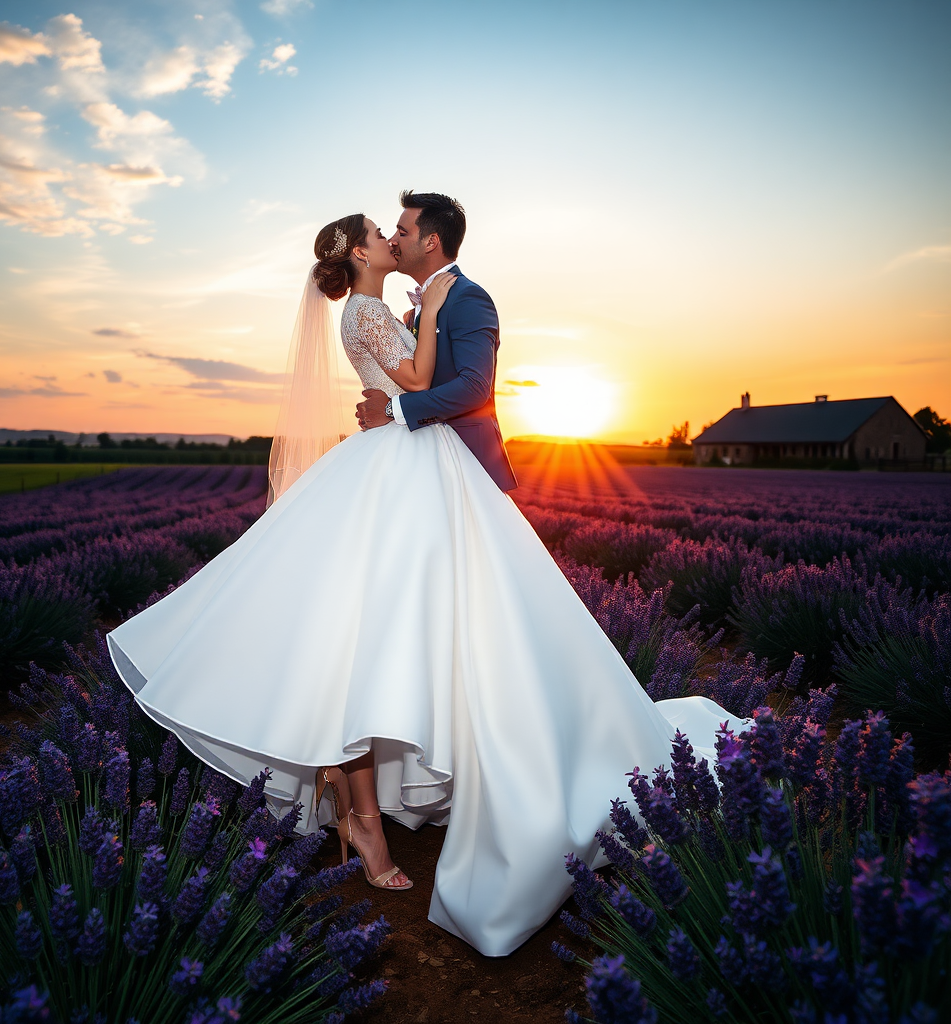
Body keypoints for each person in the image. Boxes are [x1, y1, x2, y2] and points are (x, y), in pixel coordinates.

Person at [106, 192, 740, 957]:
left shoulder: (460, 296)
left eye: (400, 229)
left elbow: (467, 388)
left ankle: (407, 791)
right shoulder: (388, 309)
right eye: (382, 231)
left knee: (416, 628)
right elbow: (414, 378)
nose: (392, 235)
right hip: (400, 472)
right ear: (359, 252)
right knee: (376, 628)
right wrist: (413, 356)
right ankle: (374, 806)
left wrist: (407, 379)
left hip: (419, 464)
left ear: (429, 242)